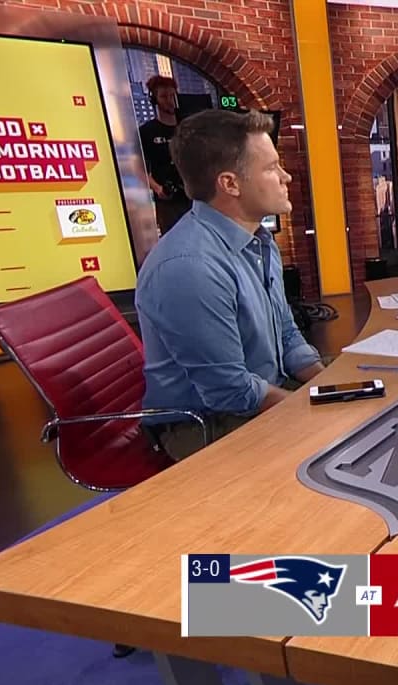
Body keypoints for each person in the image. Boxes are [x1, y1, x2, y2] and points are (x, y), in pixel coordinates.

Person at [135, 109, 323, 461]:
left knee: (374, 396)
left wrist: (329, 386)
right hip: (204, 423)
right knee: (343, 445)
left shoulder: (259, 241)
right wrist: (313, 412)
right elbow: (230, 391)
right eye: (272, 167)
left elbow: (286, 333)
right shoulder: (190, 267)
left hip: (266, 389)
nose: (286, 177)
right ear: (230, 184)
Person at [138, 75, 191, 235]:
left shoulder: (188, 128)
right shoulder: (147, 131)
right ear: (154, 100)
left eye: (172, 96)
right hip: (168, 202)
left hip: (194, 195)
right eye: (163, 96)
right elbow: (139, 168)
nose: (169, 101)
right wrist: (157, 188)